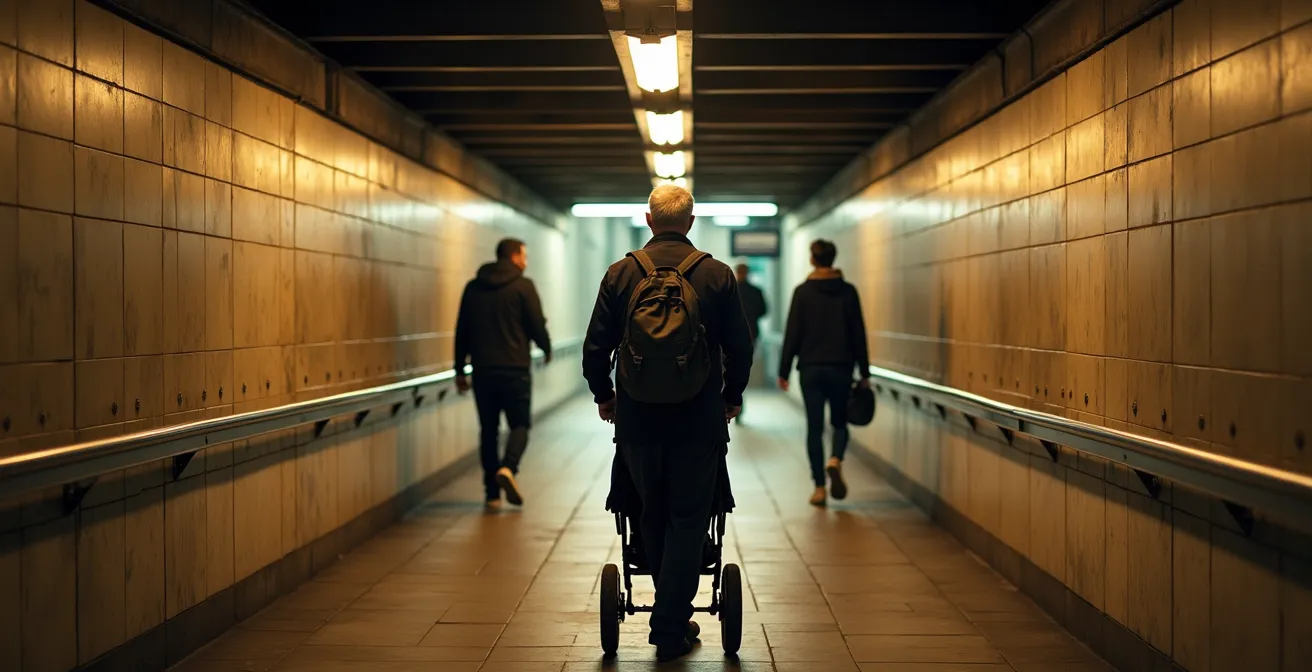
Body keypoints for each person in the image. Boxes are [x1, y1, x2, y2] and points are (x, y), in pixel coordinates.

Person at [583, 184, 753, 663]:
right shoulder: (717, 275)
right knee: (688, 518)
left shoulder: (620, 274)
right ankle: (670, 626)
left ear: (649, 219)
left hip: (637, 421)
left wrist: (605, 395)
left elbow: (595, 348)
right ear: (692, 221)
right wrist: (731, 396)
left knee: (649, 513)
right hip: (698, 422)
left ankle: (668, 615)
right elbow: (740, 347)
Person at [454, 238, 551, 510]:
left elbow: (462, 330)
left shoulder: (473, 288)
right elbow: (535, 323)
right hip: (515, 369)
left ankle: (492, 494)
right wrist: (546, 347)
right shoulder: (523, 286)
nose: (526, 261)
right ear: (513, 256)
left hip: (483, 371)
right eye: (524, 255)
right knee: (520, 424)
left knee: (489, 430)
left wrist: (459, 368)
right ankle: (508, 467)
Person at [777, 239, 870, 507]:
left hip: (811, 369)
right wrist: (864, 371)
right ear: (833, 258)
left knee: (814, 428)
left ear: (812, 260)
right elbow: (858, 333)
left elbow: (792, 333)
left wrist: (783, 370)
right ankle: (835, 460)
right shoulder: (848, 292)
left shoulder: (803, 292)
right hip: (841, 368)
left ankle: (819, 487)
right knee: (840, 422)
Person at [733, 263, 767, 424]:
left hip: (731, 336)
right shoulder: (756, 291)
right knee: (744, 368)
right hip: (751, 335)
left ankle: (734, 401)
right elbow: (764, 311)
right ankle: (738, 401)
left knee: (731, 369)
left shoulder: (730, 290)